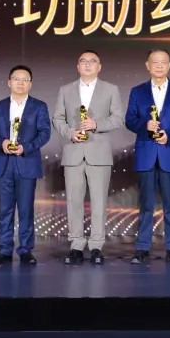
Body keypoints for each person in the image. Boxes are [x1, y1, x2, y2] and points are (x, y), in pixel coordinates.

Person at [52, 50, 125, 265]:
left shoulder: (111, 89)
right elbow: (57, 118)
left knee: (99, 202)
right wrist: (69, 133)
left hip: (99, 153)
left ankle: (96, 246)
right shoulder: (65, 90)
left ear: (99, 67)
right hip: (73, 151)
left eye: (92, 61)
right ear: (78, 66)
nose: (87, 65)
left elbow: (118, 118)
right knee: (73, 201)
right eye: (83, 61)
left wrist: (96, 124)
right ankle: (76, 245)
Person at [125, 49, 170, 264]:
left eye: (163, 62)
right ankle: (142, 247)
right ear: (148, 65)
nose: (159, 65)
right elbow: (129, 119)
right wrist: (144, 126)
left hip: (169, 151)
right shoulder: (137, 91)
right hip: (146, 152)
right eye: (155, 62)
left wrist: (169, 135)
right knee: (145, 204)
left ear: (169, 65)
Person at [0, 65, 51, 265]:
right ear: (9, 82)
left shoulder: (39, 106)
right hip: (3, 163)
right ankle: (4, 250)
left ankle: (25, 250)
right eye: (16, 79)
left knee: (25, 209)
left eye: (25, 79)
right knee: (5, 209)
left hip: (26, 162)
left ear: (30, 84)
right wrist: (2, 143)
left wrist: (26, 147)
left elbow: (45, 133)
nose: (20, 83)